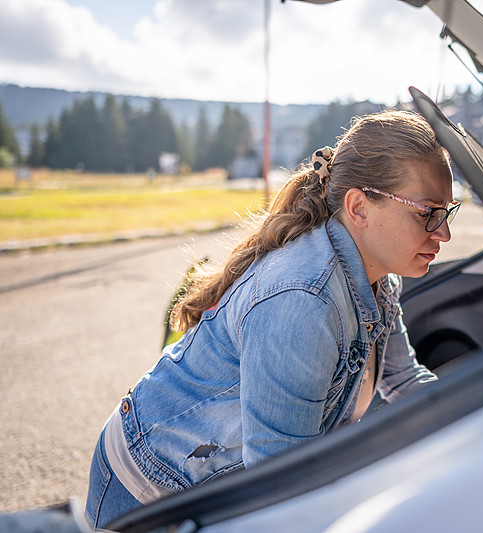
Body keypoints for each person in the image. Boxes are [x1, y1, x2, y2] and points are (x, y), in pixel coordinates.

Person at [84, 110, 460, 529]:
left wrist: (481, 417)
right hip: (150, 488)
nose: (443, 234)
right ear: (359, 207)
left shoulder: (378, 281)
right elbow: (280, 488)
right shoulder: (303, 302)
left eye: (447, 212)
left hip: (215, 488)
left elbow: (404, 382)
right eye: (428, 212)